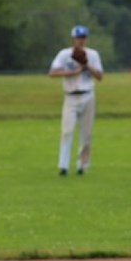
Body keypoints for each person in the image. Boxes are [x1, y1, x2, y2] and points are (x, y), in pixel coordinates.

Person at [49, 25, 104, 176]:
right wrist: (73, 72)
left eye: (83, 37)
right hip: (70, 96)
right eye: (78, 38)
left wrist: (87, 66)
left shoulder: (92, 54)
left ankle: (81, 165)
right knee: (66, 131)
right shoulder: (64, 54)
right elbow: (52, 72)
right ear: (73, 39)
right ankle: (63, 166)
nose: (81, 40)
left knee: (86, 134)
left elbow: (100, 77)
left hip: (88, 95)